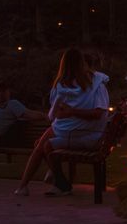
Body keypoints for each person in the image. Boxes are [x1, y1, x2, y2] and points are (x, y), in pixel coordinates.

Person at [15, 48, 109, 197]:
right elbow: (57, 113)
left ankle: (30, 185)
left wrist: (71, 112)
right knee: (41, 144)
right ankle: (55, 179)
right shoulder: (92, 83)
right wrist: (67, 114)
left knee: (44, 145)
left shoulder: (85, 85)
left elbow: (97, 113)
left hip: (84, 134)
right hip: (73, 130)